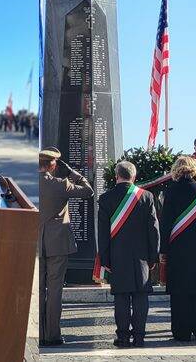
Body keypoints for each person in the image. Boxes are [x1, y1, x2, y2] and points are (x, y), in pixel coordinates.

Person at [98, 161, 159, 347]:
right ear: (134, 177)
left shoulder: (106, 198)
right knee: (141, 297)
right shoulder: (146, 197)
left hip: (118, 257)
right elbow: (154, 230)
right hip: (142, 257)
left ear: (117, 176)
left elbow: (103, 233)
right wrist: (153, 256)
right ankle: (139, 337)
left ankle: (123, 337)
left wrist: (105, 259)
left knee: (122, 298)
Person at [38, 147, 93, 346]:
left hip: (35, 244)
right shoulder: (61, 184)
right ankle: (52, 335)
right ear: (53, 164)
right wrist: (73, 174)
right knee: (54, 291)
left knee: (38, 289)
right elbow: (89, 190)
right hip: (57, 244)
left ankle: (39, 333)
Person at [160, 156, 196, 342]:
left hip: (178, 250)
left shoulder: (170, 192)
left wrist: (163, 250)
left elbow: (165, 224)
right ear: (195, 170)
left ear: (176, 170)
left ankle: (181, 332)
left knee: (179, 292)